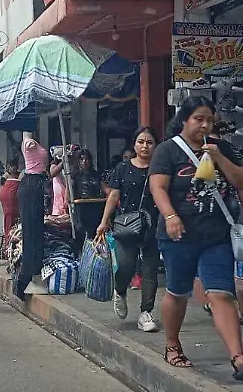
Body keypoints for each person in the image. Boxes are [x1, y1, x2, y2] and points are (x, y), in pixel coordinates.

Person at [149, 97, 243, 379]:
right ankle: (172, 345)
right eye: (198, 119)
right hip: (180, 235)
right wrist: (170, 217)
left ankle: (238, 357)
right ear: (185, 120)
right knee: (178, 292)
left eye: (209, 120)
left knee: (221, 293)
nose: (204, 125)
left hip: (216, 235)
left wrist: (218, 156)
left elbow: (240, 181)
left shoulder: (221, 148)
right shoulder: (167, 151)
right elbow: (158, 187)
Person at [96, 127, 162, 332]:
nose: (145, 146)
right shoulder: (123, 168)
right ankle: (120, 290)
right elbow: (114, 196)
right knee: (125, 266)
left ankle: (146, 312)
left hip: (153, 226)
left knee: (150, 269)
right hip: (127, 226)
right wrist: (104, 221)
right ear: (134, 145)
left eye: (149, 142)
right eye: (141, 141)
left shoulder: (159, 169)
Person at [14, 133, 49, 301]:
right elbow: (28, 145)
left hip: (35, 184)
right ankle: (23, 280)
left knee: (36, 232)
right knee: (31, 233)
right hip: (32, 185)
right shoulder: (28, 141)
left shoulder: (33, 141)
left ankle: (31, 275)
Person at [71, 148, 105, 241]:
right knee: (81, 233)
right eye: (82, 159)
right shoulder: (75, 175)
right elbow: (69, 191)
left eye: (87, 159)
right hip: (81, 208)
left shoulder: (96, 174)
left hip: (95, 207)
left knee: (94, 233)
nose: (84, 161)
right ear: (78, 161)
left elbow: (105, 188)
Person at [0, 156, 22, 236]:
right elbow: (2, 185)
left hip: (16, 200)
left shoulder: (19, 175)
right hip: (8, 200)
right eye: (12, 168)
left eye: (15, 168)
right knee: (9, 217)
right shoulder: (5, 176)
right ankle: (8, 235)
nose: (13, 170)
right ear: (9, 167)